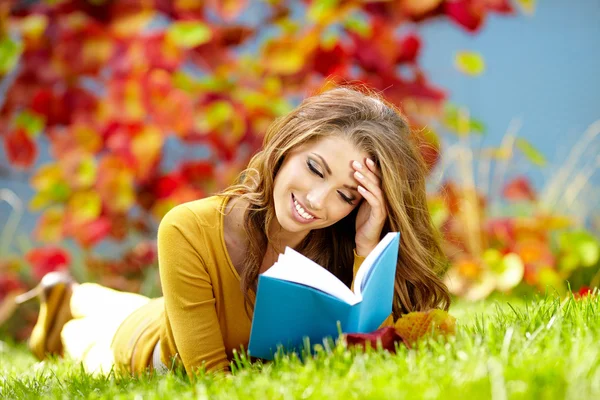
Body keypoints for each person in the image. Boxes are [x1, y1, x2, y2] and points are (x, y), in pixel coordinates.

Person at [15, 86, 451, 377]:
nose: (317, 201)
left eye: (346, 195)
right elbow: (210, 379)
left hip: (174, 308)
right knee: (87, 339)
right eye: (315, 168)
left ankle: (73, 294)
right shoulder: (187, 228)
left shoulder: (343, 242)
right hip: (149, 346)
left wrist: (367, 245)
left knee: (139, 303)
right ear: (287, 146)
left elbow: (376, 354)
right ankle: (65, 306)